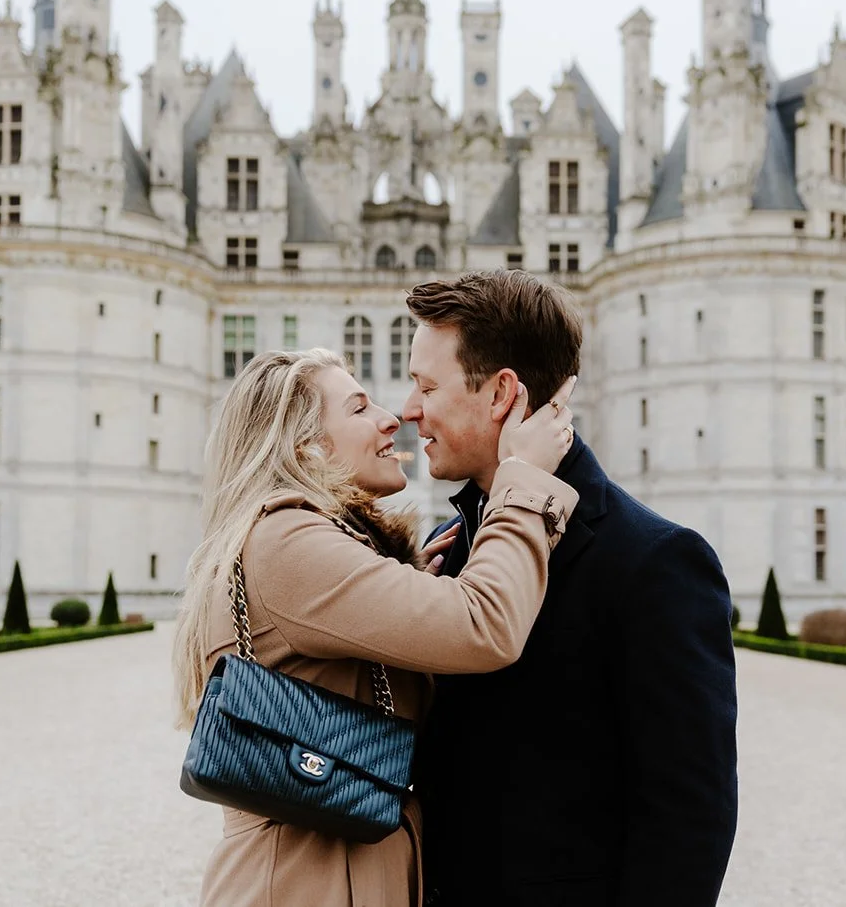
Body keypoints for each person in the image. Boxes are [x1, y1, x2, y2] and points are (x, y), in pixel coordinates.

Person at [173, 347, 579, 907]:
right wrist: (524, 482)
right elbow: (486, 624)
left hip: (324, 874)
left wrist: (407, 578)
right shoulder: (289, 543)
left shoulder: (288, 540)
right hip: (308, 883)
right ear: (305, 445)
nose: (392, 417)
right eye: (360, 408)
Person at [404, 270, 739, 907]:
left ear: (502, 393)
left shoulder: (656, 562)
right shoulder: (452, 544)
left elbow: (689, 820)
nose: (408, 409)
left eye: (425, 386)